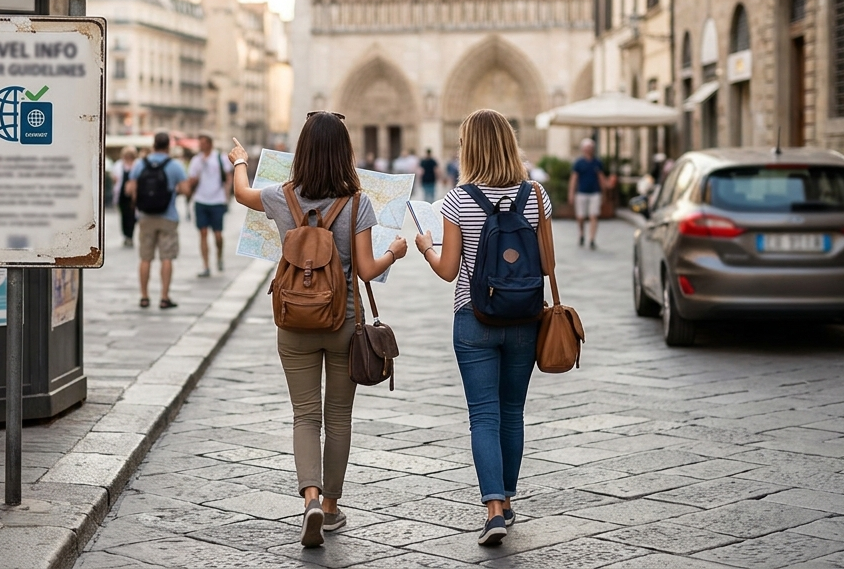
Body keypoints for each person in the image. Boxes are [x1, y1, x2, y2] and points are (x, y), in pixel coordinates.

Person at [230, 112, 407, 548]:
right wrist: (395, 253)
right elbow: (366, 269)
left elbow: (240, 194)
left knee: (305, 416)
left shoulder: (280, 197)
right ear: (344, 154)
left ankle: (308, 497)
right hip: (343, 322)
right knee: (339, 417)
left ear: (303, 152)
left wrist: (238, 159)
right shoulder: (357, 203)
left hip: (293, 321)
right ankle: (329, 508)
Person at [414, 109, 551, 546]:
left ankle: (492, 509)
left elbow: (449, 270)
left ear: (468, 149)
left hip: (473, 319)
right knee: (512, 412)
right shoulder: (537, 196)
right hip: (525, 318)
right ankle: (508, 500)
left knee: (484, 415)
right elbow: (549, 264)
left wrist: (426, 248)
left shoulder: (457, 200)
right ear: (511, 144)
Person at [127, 133, 189, 308]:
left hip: (145, 216)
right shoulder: (175, 165)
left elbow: (131, 188)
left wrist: (138, 202)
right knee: (166, 258)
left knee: (145, 258)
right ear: (168, 146)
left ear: (153, 144)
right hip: (167, 216)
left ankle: (144, 297)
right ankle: (164, 297)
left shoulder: (140, 163)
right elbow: (185, 190)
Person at [187, 135, 231, 277]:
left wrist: (226, 195)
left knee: (218, 235)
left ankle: (219, 256)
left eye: (204, 143)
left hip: (217, 200)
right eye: (200, 143)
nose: (201, 146)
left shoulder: (220, 158)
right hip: (200, 200)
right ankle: (206, 265)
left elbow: (228, 176)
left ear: (210, 144)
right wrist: (194, 179)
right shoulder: (196, 160)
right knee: (203, 233)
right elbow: (191, 180)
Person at [569, 138, 615, 251]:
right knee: (580, 217)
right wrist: (571, 193)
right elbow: (574, 179)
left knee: (593, 215)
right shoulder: (579, 163)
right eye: (587, 148)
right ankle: (581, 234)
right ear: (583, 149)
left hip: (595, 193)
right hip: (581, 193)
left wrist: (605, 190)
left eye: (590, 148)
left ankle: (592, 239)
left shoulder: (597, 163)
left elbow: (601, 178)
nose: (588, 150)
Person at [112, 147, 138, 247]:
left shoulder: (137, 165)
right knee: (123, 216)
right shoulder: (119, 165)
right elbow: (115, 179)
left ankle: (130, 235)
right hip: (122, 195)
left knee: (132, 217)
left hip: (133, 196)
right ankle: (126, 235)